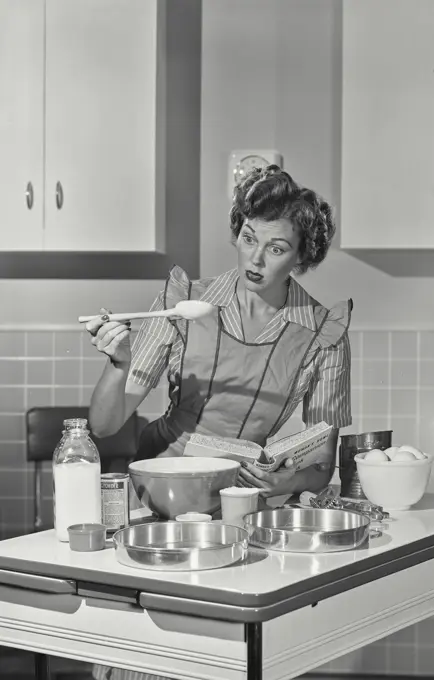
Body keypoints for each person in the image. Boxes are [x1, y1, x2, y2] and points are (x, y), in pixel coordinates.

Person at [87, 165, 352, 680]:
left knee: (221, 659)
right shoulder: (184, 304)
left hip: (240, 510)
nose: (255, 257)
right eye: (249, 237)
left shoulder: (323, 334)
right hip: (159, 501)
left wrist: (287, 480)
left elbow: (320, 462)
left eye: (276, 248)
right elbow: (105, 423)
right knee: (143, 655)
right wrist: (118, 364)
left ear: (303, 256)